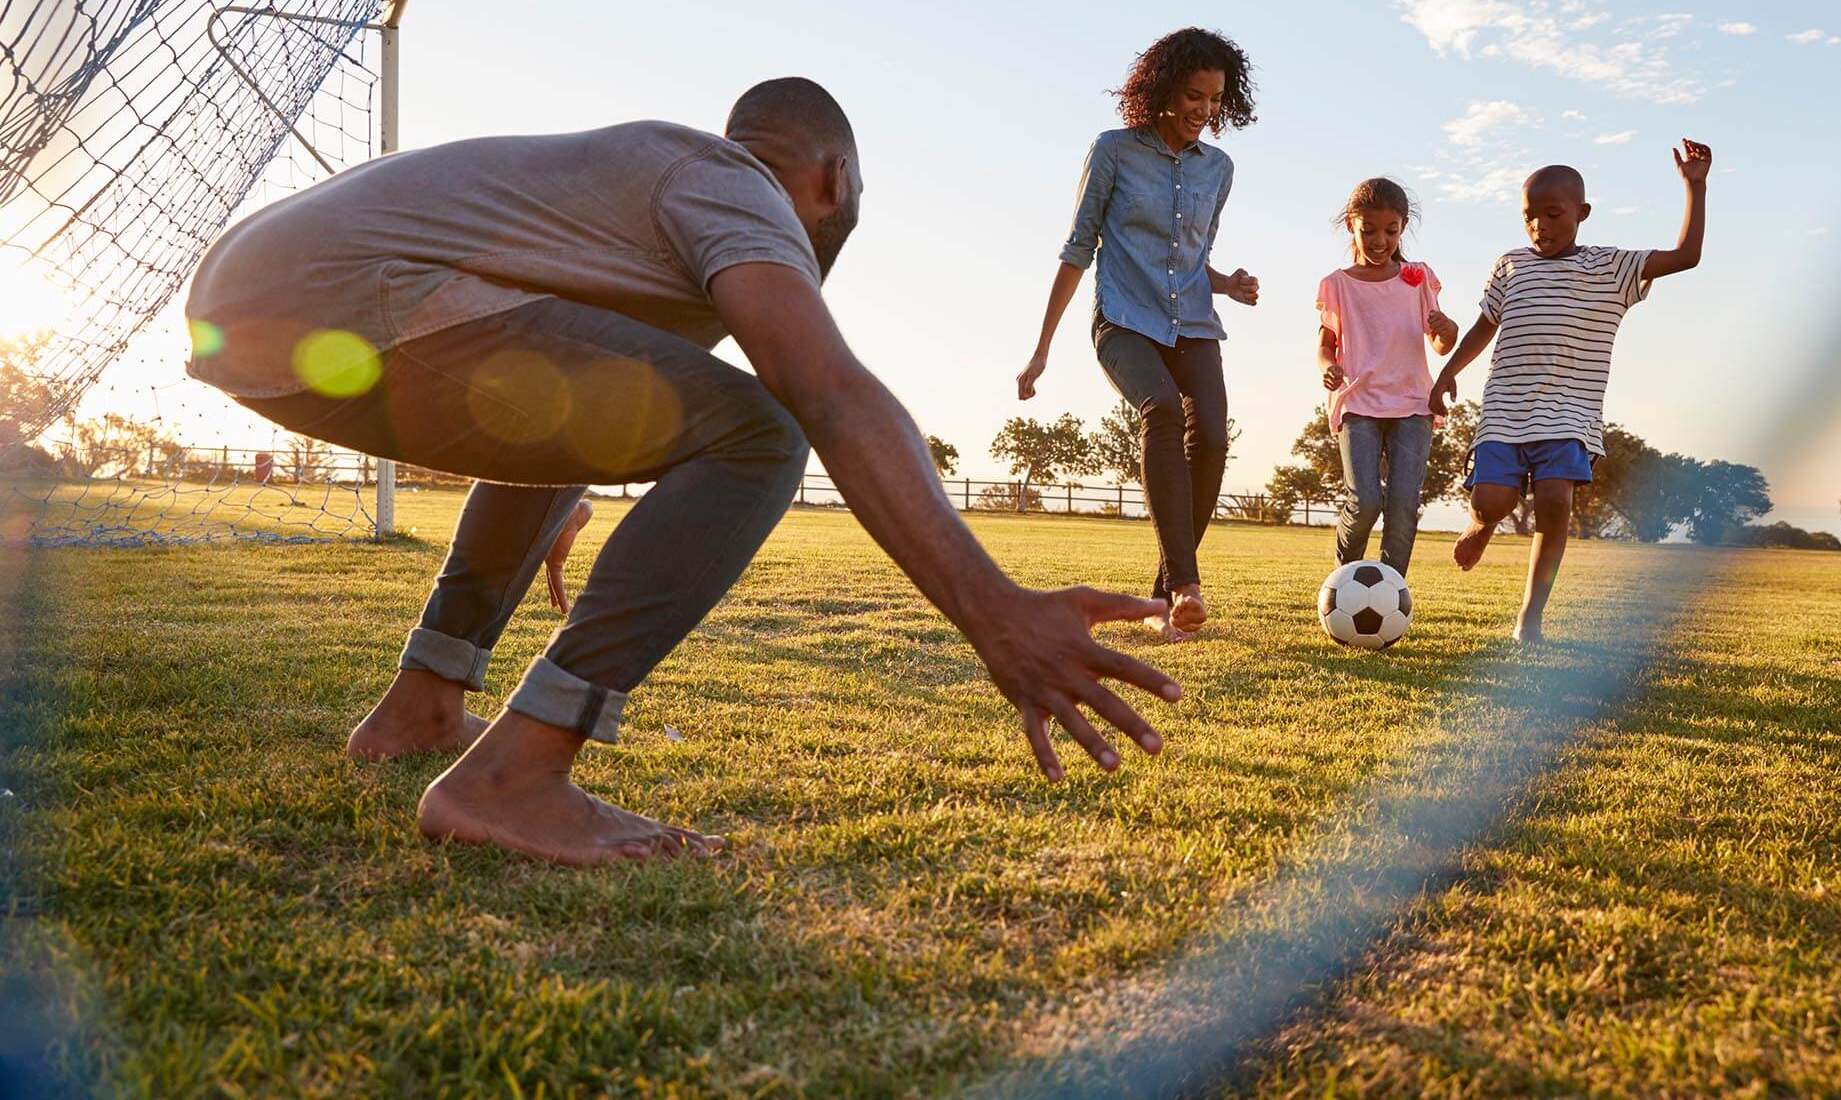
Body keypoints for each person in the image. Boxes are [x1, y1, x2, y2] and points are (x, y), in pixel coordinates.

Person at [182, 78, 1183, 867]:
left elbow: (560, 384)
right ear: (831, 178)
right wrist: (993, 609)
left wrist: (560, 472)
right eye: (851, 199)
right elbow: (826, 389)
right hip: (342, 294)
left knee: (639, 418)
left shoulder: (650, 201)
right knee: (762, 431)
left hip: (259, 306)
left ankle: (420, 709)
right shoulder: (729, 179)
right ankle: (512, 780)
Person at [1014, 28, 1260, 643]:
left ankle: (1164, 597)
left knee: (1210, 438)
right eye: (1193, 96)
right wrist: (1042, 348)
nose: (1204, 111)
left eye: (1215, 99)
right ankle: (1187, 585)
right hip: (1123, 321)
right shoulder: (1114, 151)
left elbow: (1190, 256)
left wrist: (1227, 282)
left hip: (1195, 325)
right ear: (1161, 90)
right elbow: (1078, 248)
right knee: (1163, 412)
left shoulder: (1219, 169)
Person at [1429, 140, 1713, 642]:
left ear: (1581, 213)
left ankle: (1530, 619)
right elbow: (1483, 325)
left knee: (1555, 501)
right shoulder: (1510, 265)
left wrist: (1695, 187)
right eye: (1529, 216)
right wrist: (1448, 372)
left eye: (1553, 214)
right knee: (1490, 502)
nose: (1540, 225)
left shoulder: (1611, 268)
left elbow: (1687, 256)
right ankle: (1481, 526)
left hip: (1569, 414)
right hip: (1505, 410)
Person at [1314, 178, 1458, 579]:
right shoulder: (1338, 285)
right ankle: (1343, 583)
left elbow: (1441, 344)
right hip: (1358, 403)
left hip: (1413, 404)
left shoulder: (1417, 278)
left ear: (1402, 227)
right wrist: (1329, 368)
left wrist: (1449, 328)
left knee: (1402, 505)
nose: (1380, 240)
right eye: (1369, 230)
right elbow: (1325, 344)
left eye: (1390, 231)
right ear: (1351, 227)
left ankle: (1390, 589)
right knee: (1365, 502)